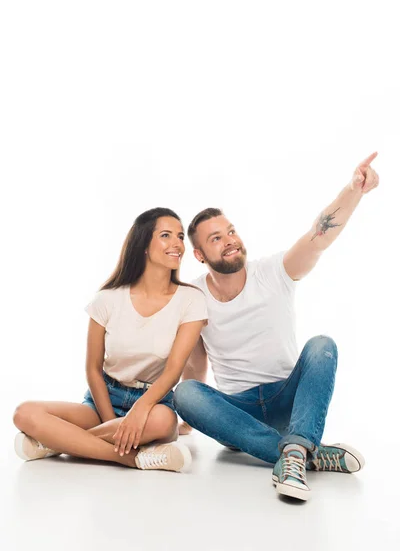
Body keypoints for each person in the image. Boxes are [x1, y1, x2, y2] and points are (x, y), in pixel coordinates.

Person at [174, 153, 379, 500]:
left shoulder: (273, 272)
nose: (230, 241)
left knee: (322, 345)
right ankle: (304, 452)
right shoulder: (193, 297)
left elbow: (319, 235)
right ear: (199, 255)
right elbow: (195, 364)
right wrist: (192, 414)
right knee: (184, 393)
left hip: (288, 400)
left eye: (231, 231)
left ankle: (293, 451)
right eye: (216, 239)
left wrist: (354, 189)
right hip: (238, 413)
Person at [13, 208, 207, 472]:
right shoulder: (107, 299)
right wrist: (108, 422)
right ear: (144, 246)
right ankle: (128, 458)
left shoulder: (191, 300)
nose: (178, 244)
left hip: (153, 401)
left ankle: (57, 443)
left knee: (164, 423)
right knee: (24, 413)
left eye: (180, 236)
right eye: (166, 235)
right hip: (104, 396)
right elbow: (93, 369)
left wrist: (139, 410)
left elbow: (174, 371)